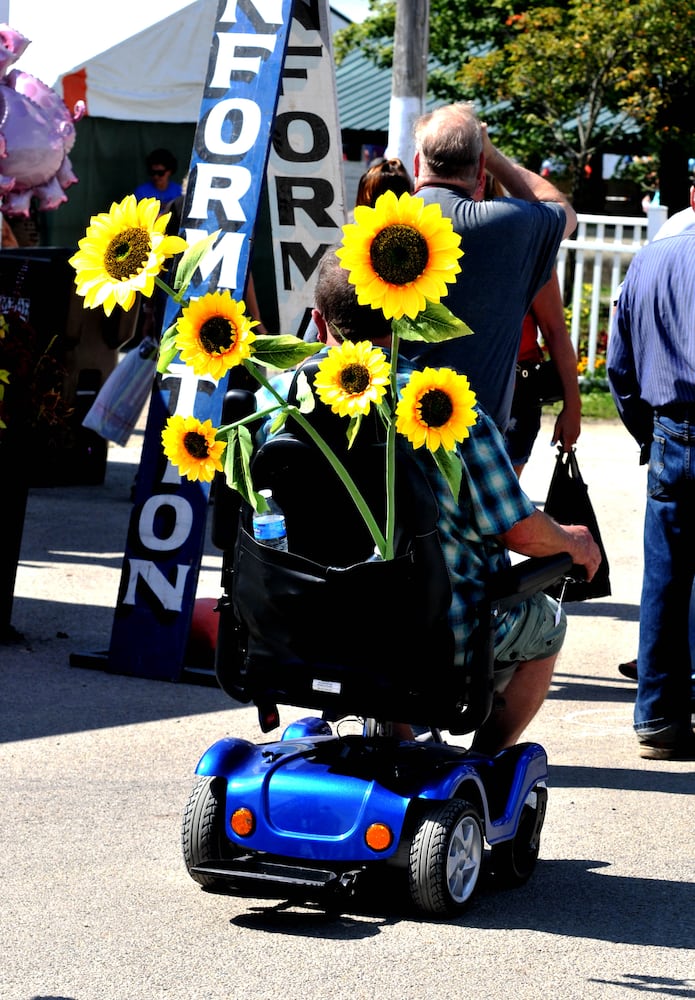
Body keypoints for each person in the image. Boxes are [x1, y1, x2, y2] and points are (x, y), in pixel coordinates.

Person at [260, 251, 601, 753]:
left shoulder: (277, 405)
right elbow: (519, 531)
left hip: (303, 622)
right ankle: (488, 760)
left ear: (317, 322)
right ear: (404, 314)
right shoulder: (440, 408)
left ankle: (396, 737)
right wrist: (575, 543)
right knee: (547, 620)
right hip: (432, 634)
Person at [402, 102, 577, 433]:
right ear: (481, 167)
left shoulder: (370, 232)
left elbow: (322, 337)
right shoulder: (506, 226)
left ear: (417, 163)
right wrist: (495, 156)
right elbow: (562, 212)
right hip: (476, 439)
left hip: (389, 442)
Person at [607, 184, 695, 761]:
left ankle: (658, 716)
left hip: (674, 428)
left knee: (665, 576)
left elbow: (620, 365)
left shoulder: (650, 259)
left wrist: (649, 432)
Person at [507, 272, 582, 476]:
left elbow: (555, 330)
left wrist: (573, 406)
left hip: (516, 394)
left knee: (502, 499)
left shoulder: (534, 249)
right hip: (455, 387)